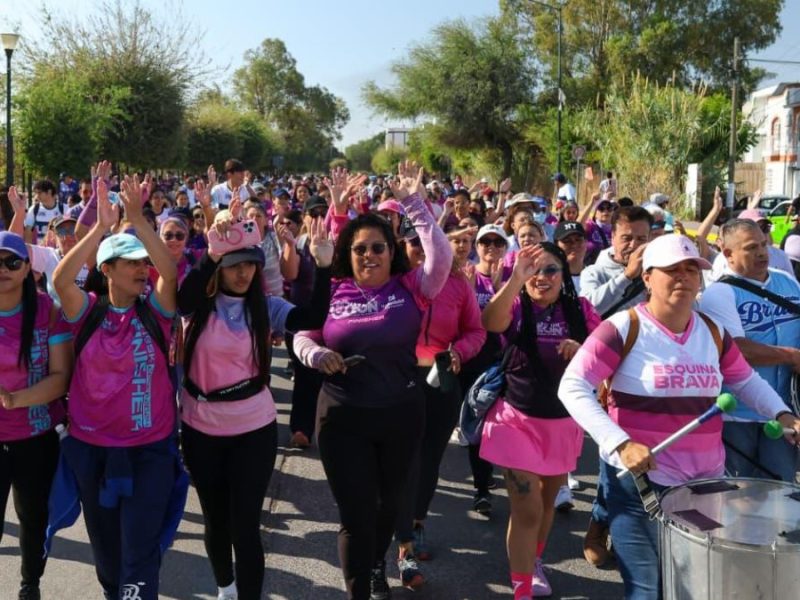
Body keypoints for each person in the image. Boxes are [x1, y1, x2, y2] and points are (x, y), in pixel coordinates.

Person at [559, 233, 800, 599]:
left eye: (692, 269)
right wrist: (621, 444)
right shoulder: (623, 329)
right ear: (647, 277)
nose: (684, 277)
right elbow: (573, 387)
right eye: (672, 269)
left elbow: (746, 381)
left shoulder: (713, 332)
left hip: (703, 487)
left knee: (693, 584)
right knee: (647, 588)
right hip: (640, 485)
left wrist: (783, 415)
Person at [293, 162, 452, 600]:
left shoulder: (412, 286)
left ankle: (377, 562)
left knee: (388, 505)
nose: (369, 255)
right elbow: (304, 333)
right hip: (343, 416)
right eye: (360, 249)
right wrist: (318, 354)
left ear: (391, 251)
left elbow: (442, 258)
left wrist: (416, 205)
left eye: (377, 247)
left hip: (401, 413)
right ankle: (358, 590)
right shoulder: (335, 288)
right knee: (356, 513)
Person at [177, 205, 333, 600]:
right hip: (200, 428)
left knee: (245, 527)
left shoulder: (267, 307)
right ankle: (225, 588)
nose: (243, 272)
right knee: (216, 521)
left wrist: (325, 266)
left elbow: (314, 315)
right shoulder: (199, 305)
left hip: (253, 430)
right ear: (219, 267)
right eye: (233, 265)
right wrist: (210, 254)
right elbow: (181, 300)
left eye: (249, 264)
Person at [51, 175, 187, 600]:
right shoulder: (86, 312)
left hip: (150, 451)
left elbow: (169, 269)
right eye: (130, 262)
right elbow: (60, 281)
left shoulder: (157, 312)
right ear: (107, 269)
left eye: (142, 262)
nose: (141, 269)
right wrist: (98, 230)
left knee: (140, 547)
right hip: (93, 451)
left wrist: (137, 222)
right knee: (107, 552)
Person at [482, 242, 600, 600]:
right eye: (534, 270)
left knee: (547, 503)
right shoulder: (517, 305)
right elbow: (490, 322)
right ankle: (521, 591)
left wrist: (583, 352)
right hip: (515, 418)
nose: (542, 277)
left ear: (564, 275)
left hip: (562, 422)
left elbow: (607, 354)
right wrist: (516, 279)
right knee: (528, 506)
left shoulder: (580, 310)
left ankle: (531, 562)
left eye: (550, 270)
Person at [393, 227, 485, 590]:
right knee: (401, 458)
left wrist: (459, 352)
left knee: (429, 458)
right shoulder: (396, 281)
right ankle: (392, 531)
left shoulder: (459, 286)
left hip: (440, 379)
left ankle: (415, 526)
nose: (420, 249)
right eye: (413, 242)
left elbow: (476, 331)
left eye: (426, 242)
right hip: (398, 380)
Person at [577, 205, 652, 567]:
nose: (634, 245)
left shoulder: (659, 268)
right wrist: (627, 276)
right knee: (613, 452)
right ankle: (598, 526)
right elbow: (587, 309)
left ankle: (619, 524)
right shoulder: (595, 271)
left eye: (642, 238)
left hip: (650, 377)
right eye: (627, 238)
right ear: (612, 236)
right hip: (606, 378)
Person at [0, 231, 72, 600]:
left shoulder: (47, 311)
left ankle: (31, 584)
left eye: (12, 261)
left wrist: (15, 399)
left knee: (33, 520)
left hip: (36, 436)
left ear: (29, 267)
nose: (3, 269)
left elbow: (61, 379)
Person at [699, 219, 800, 482]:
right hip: (738, 415)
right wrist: (791, 356)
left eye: (764, 245)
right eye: (751, 247)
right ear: (728, 253)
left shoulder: (787, 282)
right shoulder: (719, 294)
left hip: (784, 412)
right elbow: (738, 350)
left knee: (782, 490)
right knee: (738, 494)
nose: (762, 253)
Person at [24, 180, 66, 245]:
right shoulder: (34, 209)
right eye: (36, 193)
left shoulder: (64, 208)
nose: (37, 196)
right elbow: (28, 232)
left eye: (39, 193)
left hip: (59, 251)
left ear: (49, 192)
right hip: (41, 251)